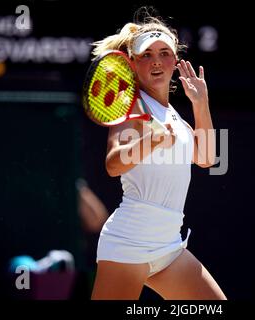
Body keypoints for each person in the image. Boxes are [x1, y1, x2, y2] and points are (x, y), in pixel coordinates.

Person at [91, 9, 226, 300]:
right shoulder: (130, 106)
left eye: (164, 53)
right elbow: (113, 165)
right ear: (133, 64)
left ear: (175, 61)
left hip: (168, 245)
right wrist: (151, 141)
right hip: (129, 242)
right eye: (146, 55)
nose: (156, 61)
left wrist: (200, 103)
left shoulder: (174, 116)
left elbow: (208, 158)